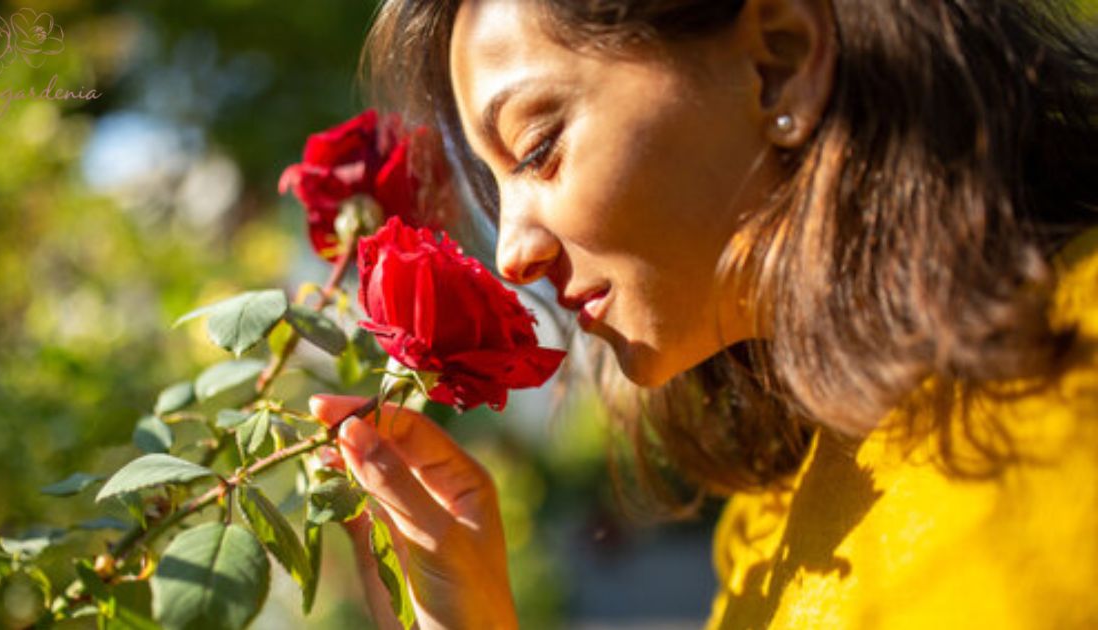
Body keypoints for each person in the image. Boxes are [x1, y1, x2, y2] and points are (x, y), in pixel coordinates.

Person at [309, 0, 1098, 628]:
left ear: (778, 66)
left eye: (540, 146)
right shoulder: (771, 521)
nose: (511, 253)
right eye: (495, 184)